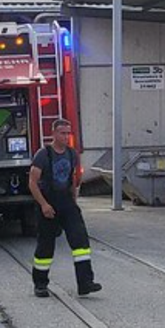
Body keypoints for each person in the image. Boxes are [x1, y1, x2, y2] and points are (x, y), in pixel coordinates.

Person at [28, 119, 101, 298]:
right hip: (48, 202)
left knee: (81, 242)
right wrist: (44, 204)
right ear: (53, 133)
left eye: (68, 133)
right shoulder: (43, 155)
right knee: (46, 246)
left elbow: (73, 179)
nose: (66, 136)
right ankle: (40, 284)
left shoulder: (71, 154)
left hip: (67, 202)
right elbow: (32, 182)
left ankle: (85, 283)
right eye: (62, 133)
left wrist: (73, 201)